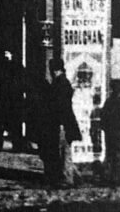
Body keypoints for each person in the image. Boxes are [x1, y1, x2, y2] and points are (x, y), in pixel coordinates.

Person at [41, 57, 82, 188]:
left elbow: (61, 107)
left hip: (63, 124)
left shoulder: (60, 84)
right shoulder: (61, 82)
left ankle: (68, 178)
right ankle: (75, 176)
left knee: (64, 152)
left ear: (55, 69)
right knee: (63, 151)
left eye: (52, 68)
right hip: (63, 123)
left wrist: (60, 123)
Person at [0, 48, 25, 152]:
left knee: (15, 124)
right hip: (6, 99)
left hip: (13, 99)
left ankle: (17, 145)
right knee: (3, 123)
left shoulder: (16, 66)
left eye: (7, 53)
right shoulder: (3, 65)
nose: (5, 55)